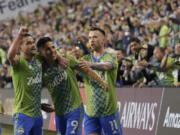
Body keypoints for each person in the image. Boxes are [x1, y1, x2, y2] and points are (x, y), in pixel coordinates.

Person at [37, 37, 108, 135]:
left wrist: (102, 82)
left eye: (53, 47)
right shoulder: (40, 68)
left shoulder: (66, 59)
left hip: (75, 109)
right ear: (40, 53)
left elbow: (86, 70)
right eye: (47, 49)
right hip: (59, 112)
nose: (52, 51)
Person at [79, 27, 123, 135]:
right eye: (89, 38)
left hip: (108, 111)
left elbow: (106, 66)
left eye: (95, 37)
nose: (91, 40)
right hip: (91, 112)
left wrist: (91, 65)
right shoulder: (85, 59)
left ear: (104, 40)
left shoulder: (111, 57)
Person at [7, 27, 43, 135]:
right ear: (20, 48)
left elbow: (52, 53)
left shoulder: (38, 60)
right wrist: (19, 36)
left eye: (33, 42)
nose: (32, 45)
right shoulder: (19, 62)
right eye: (28, 43)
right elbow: (10, 56)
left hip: (37, 115)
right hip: (23, 114)